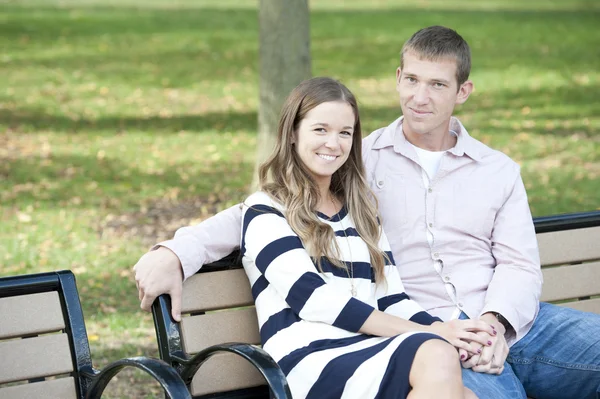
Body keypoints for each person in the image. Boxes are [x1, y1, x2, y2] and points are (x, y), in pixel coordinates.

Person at [134, 26, 600, 399]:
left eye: (438, 84)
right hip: (424, 329)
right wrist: (175, 251)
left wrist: (496, 324)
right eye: (412, 80)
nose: (420, 97)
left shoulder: (497, 170)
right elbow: (264, 210)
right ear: (398, 78)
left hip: (514, 324)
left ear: (463, 91)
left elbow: (520, 264)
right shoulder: (360, 160)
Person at [235, 76, 494, 398]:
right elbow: (314, 300)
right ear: (292, 133)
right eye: (320, 129)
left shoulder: (362, 213)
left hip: (369, 348)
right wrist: (434, 333)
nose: (334, 143)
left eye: (345, 133)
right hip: (307, 357)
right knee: (436, 353)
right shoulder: (265, 211)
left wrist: (456, 335)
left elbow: (392, 299)